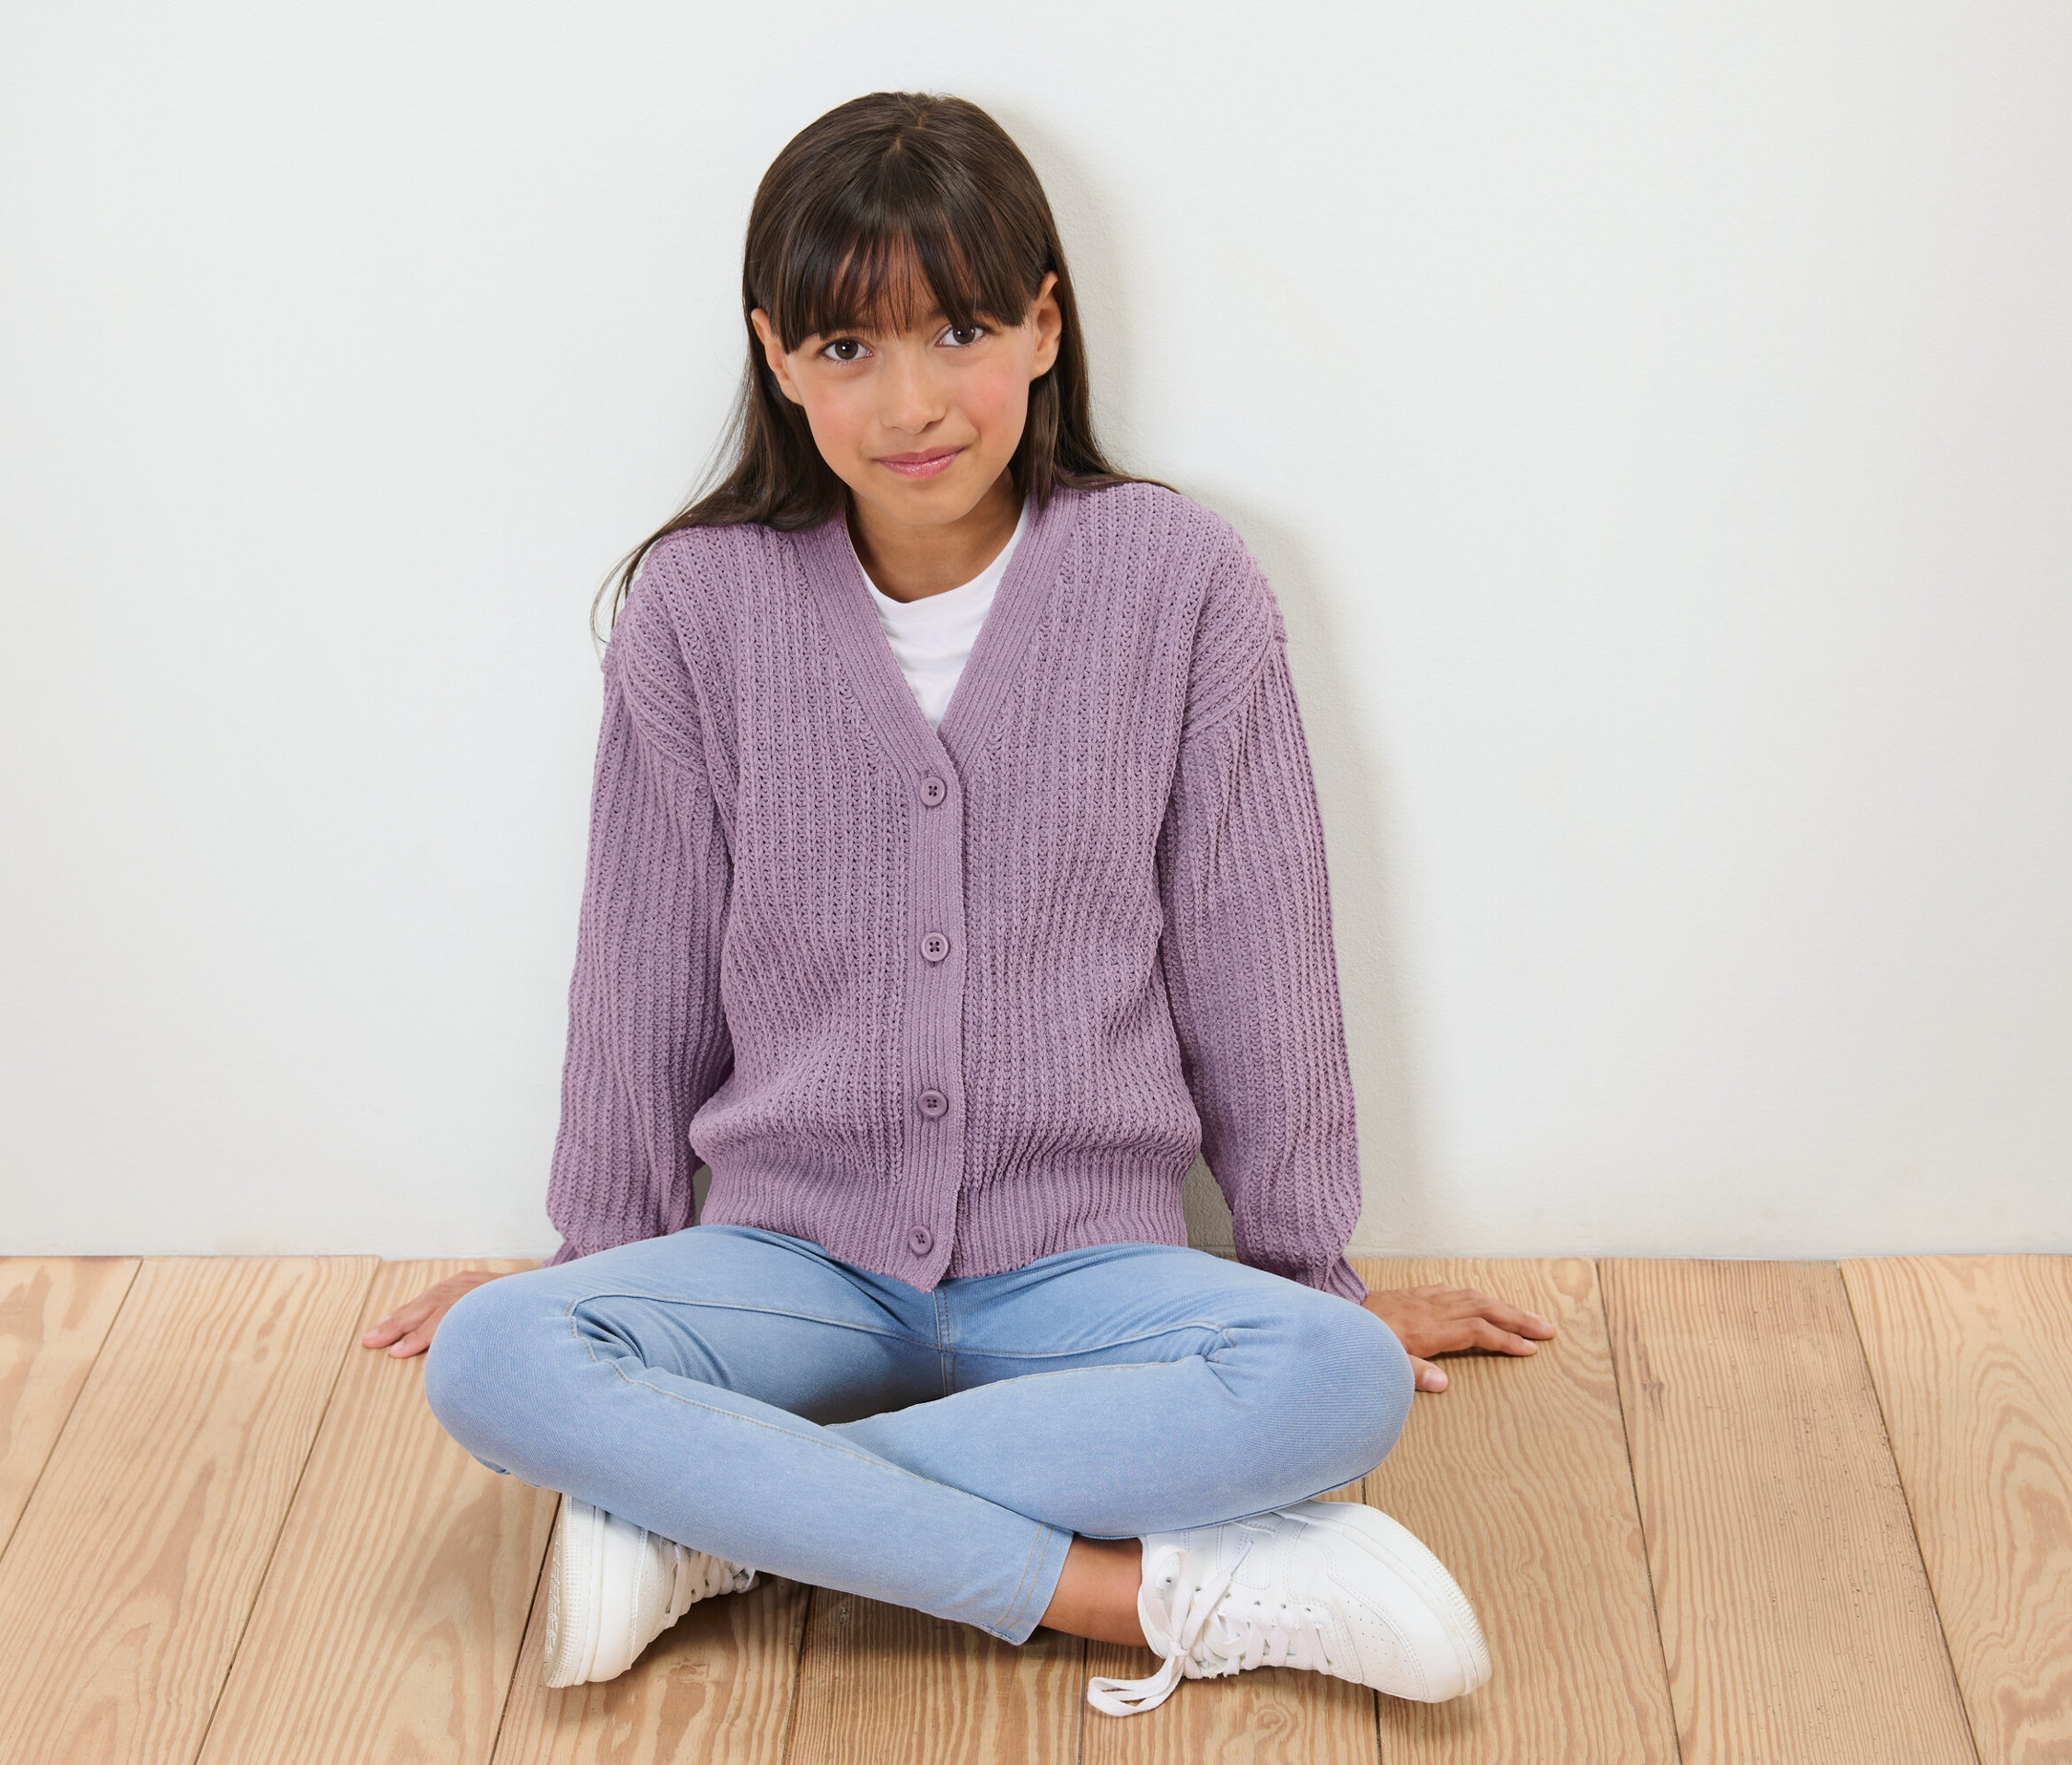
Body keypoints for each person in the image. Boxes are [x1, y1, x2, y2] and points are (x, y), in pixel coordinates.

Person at [366, 90, 1556, 1719]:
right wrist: (596, 1274)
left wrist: (1304, 1269)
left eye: (961, 329)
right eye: (847, 349)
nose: (911, 400)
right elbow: (637, 977)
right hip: (793, 1259)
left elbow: (1257, 960)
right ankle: (1121, 1594)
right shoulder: (699, 612)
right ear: (775, 356)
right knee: (498, 1353)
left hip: (1083, 1272)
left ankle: (713, 1521)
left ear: (1045, 328)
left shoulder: (1176, 584)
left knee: (1334, 1381)